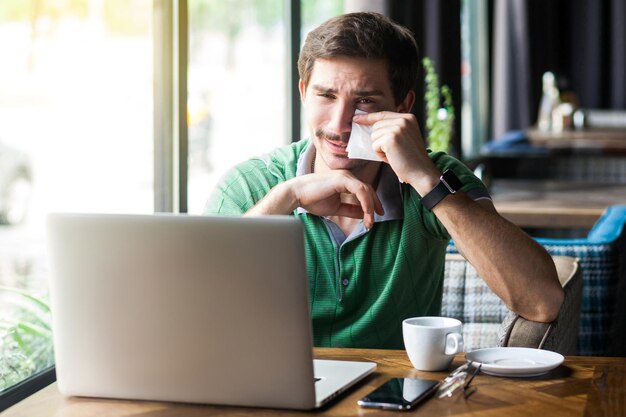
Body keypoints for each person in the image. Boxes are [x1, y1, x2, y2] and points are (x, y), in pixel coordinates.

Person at [205, 12, 563, 349]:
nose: (340, 123)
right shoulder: (250, 185)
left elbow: (543, 300)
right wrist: (287, 197)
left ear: (402, 107)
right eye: (326, 96)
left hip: (391, 400)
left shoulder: (438, 175)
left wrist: (426, 179)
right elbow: (195, 301)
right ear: (302, 93)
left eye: (364, 101)